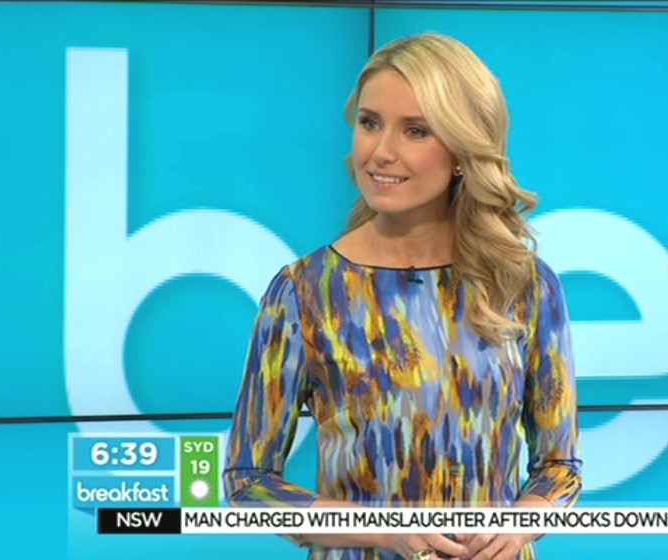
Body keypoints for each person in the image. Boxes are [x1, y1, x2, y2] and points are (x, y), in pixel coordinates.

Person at [223, 33, 581, 560]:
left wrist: (518, 525)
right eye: (370, 123)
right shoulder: (305, 291)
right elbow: (249, 482)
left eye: (415, 130)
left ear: (462, 151)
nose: (381, 152)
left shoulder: (524, 285)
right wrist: (384, 529)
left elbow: (559, 467)